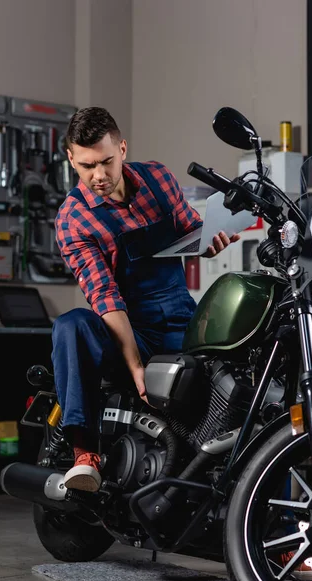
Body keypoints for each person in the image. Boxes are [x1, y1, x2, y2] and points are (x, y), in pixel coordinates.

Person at [52, 107, 240, 492]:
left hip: (180, 313)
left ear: (122, 148)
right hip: (127, 325)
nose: (99, 176)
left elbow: (188, 226)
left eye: (106, 161)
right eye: (87, 166)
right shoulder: (74, 218)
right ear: (72, 158)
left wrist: (209, 240)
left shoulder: (157, 178)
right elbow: (104, 296)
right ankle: (85, 453)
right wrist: (136, 366)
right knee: (71, 324)